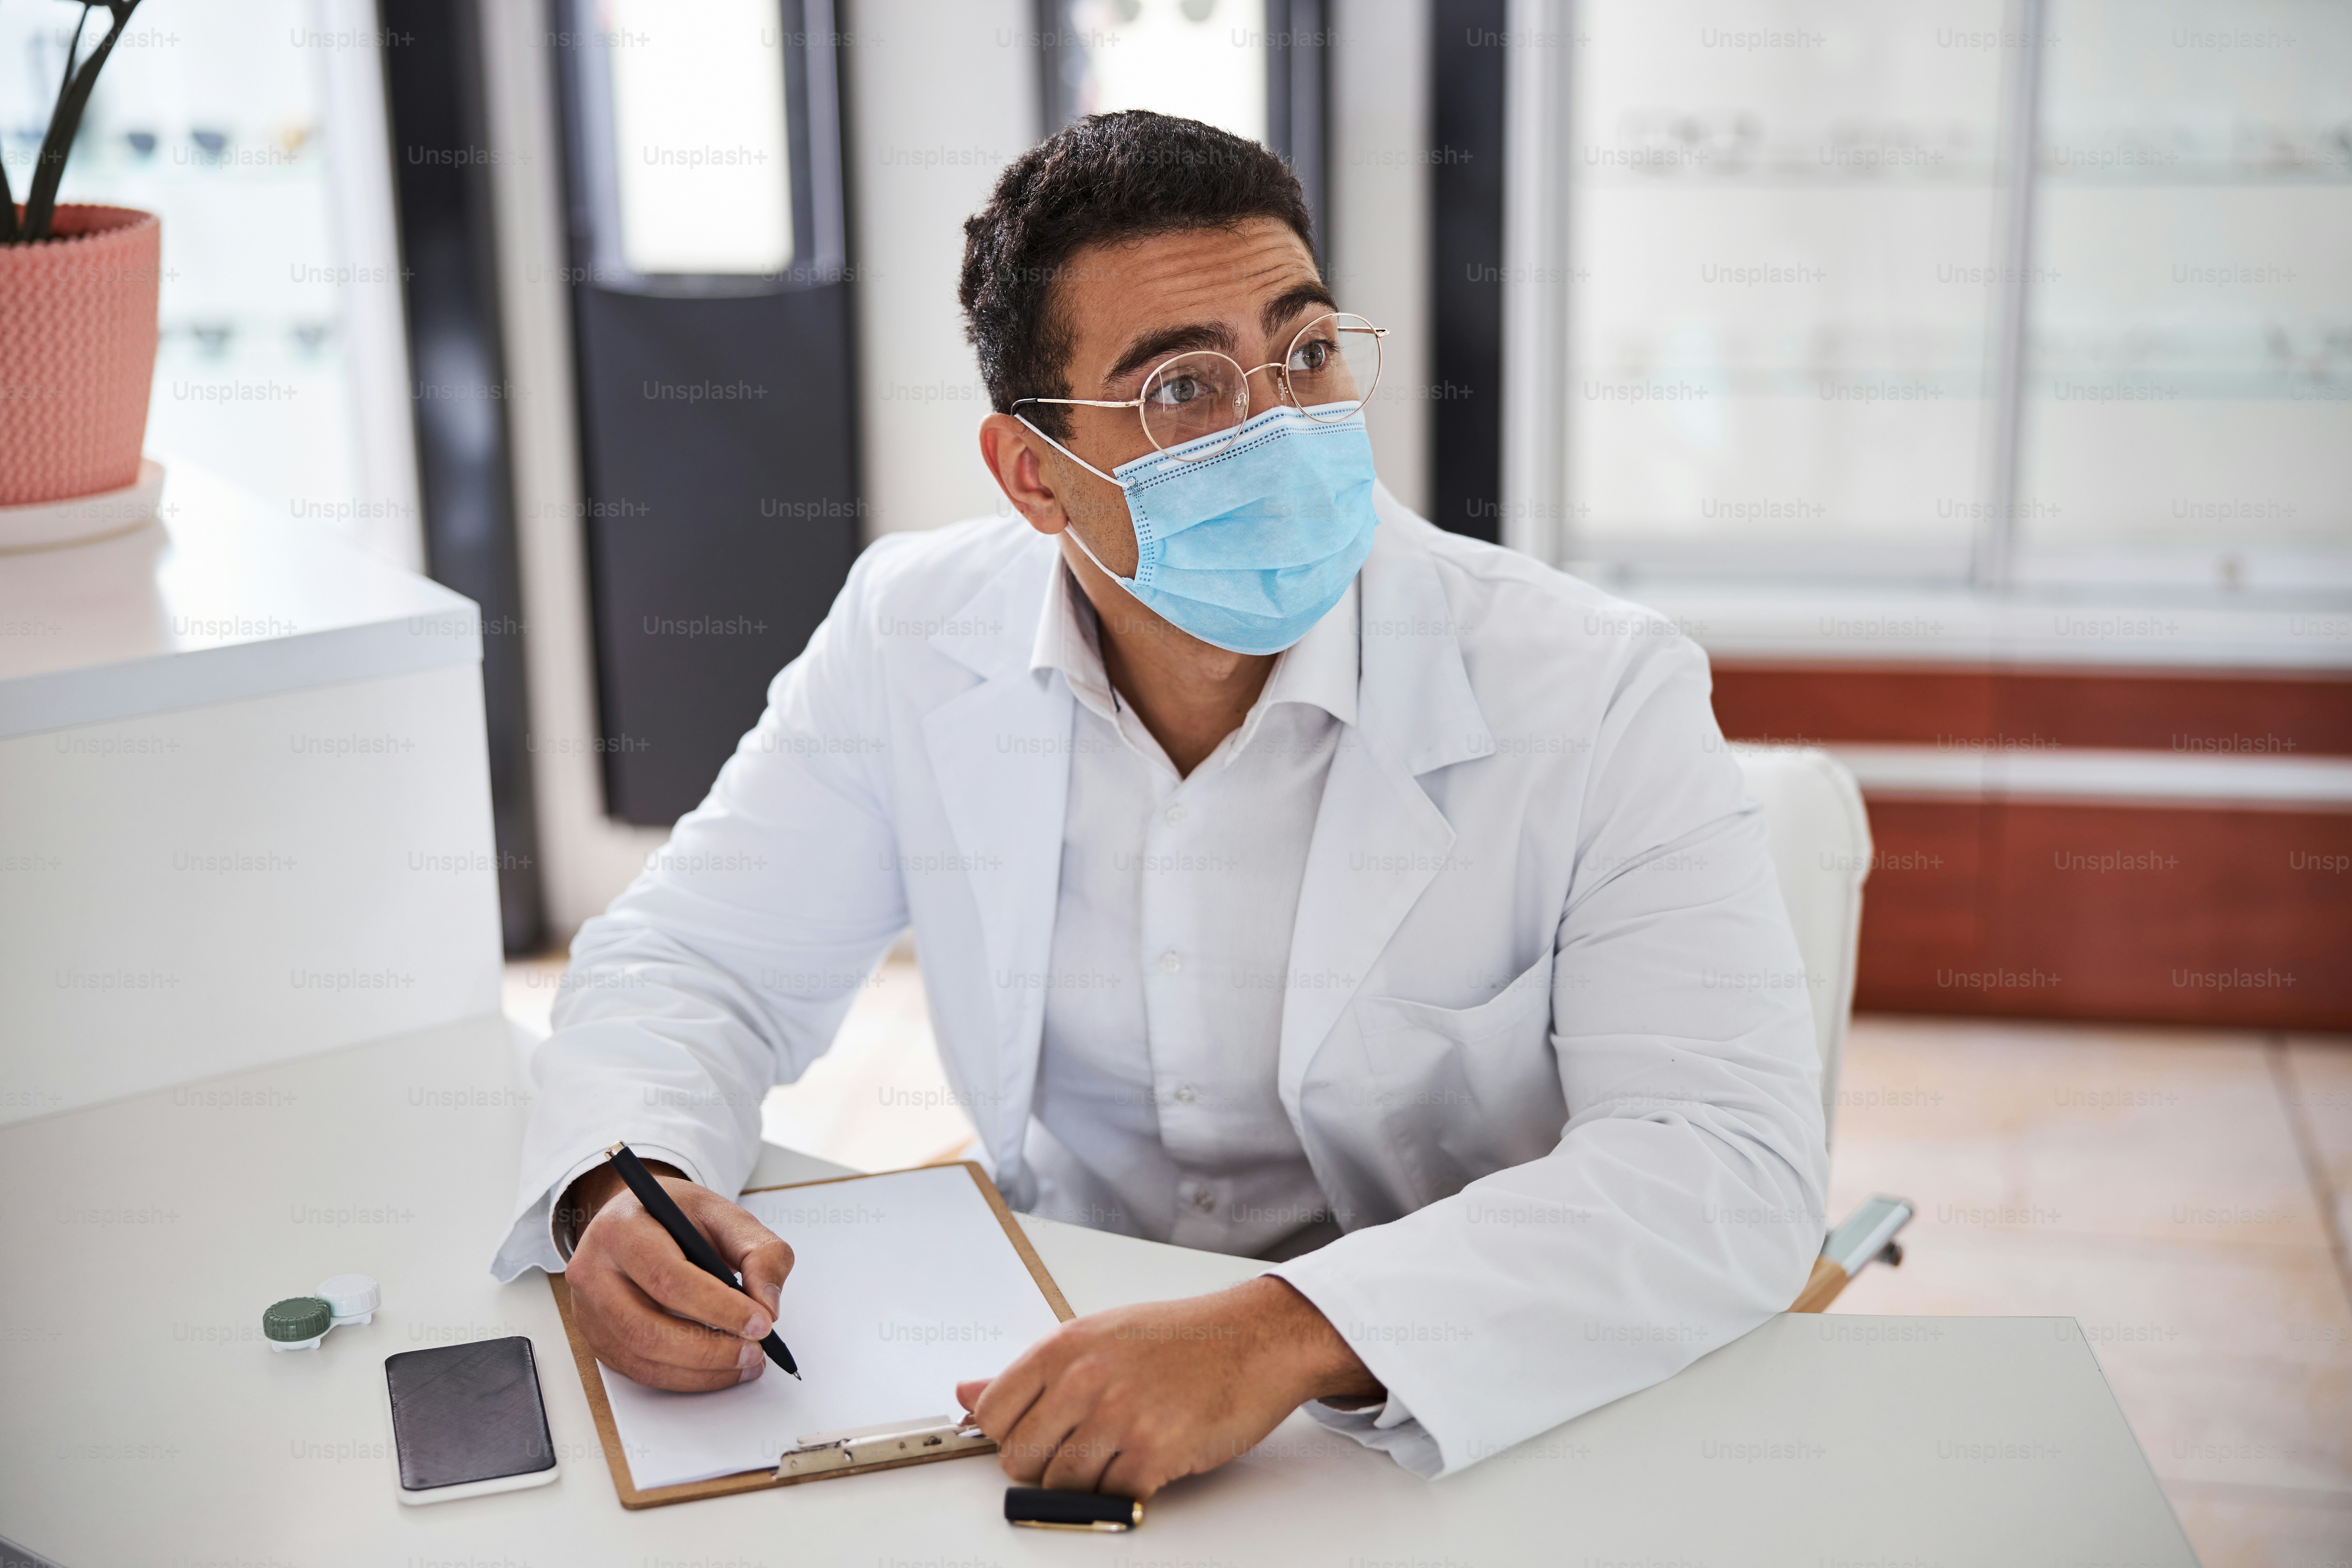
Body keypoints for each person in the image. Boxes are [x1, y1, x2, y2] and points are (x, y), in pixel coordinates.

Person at [496, 110, 1826, 1500]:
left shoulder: (1596, 688)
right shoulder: (914, 632)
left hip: (1437, 1391)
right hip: (1057, 1336)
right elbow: (694, 959)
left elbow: (1727, 1166)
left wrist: (1283, 1333)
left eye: (1306, 354)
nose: (1280, 425)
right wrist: (621, 1182)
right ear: (1034, 475)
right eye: (1185, 387)